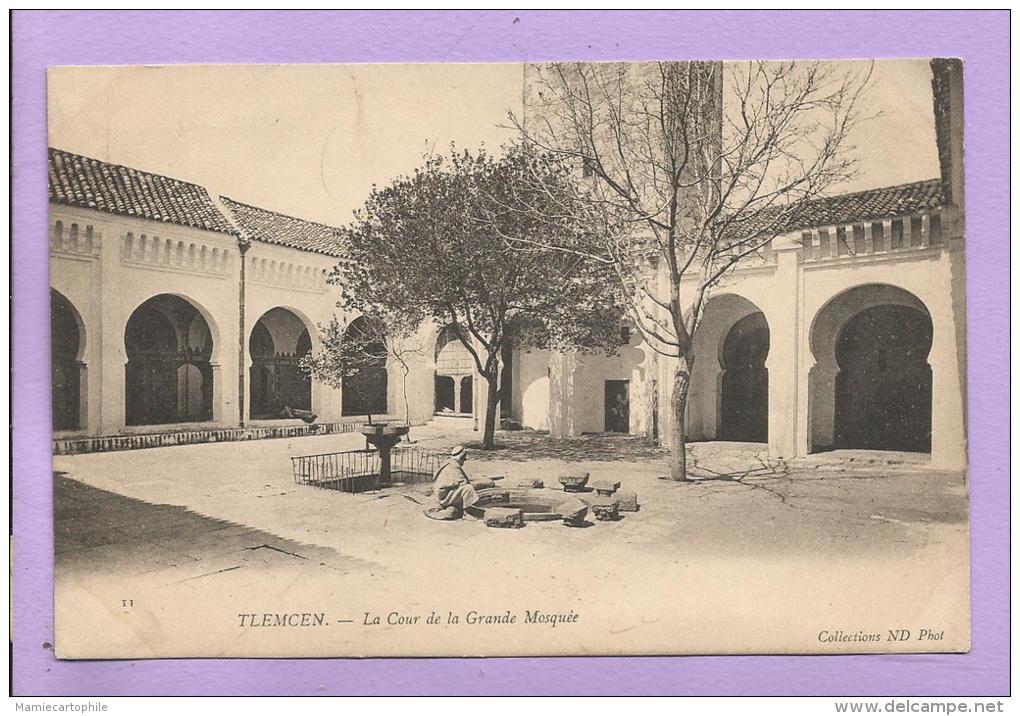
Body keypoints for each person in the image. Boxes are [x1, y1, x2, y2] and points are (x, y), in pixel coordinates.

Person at [426, 445, 479, 520]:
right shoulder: (454, 466)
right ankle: (466, 513)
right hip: (444, 496)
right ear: (460, 457)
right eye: (463, 459)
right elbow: (462, 482)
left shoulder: (449, 463)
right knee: (468, 489)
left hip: (441, 493)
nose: (464, 461)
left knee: (464, 488)